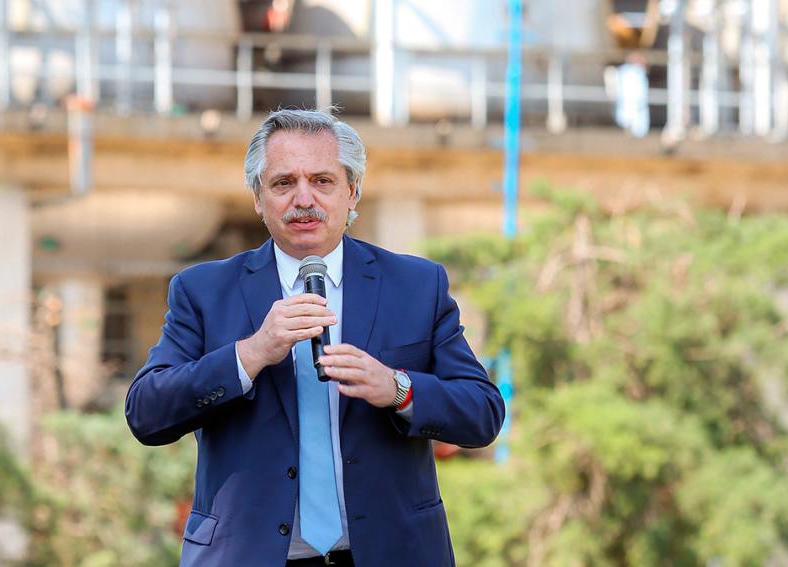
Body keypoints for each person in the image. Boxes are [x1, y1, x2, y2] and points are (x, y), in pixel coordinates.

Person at [125, 109, 504, 567]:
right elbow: (146, 413)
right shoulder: (203, 291)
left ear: (353, 190)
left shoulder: (416, 285)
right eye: (283, 183)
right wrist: (250, 354)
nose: (304, 199)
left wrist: (397, 389)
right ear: (258, 197)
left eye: (322, 181)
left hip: (393, 553)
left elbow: (482, 413)